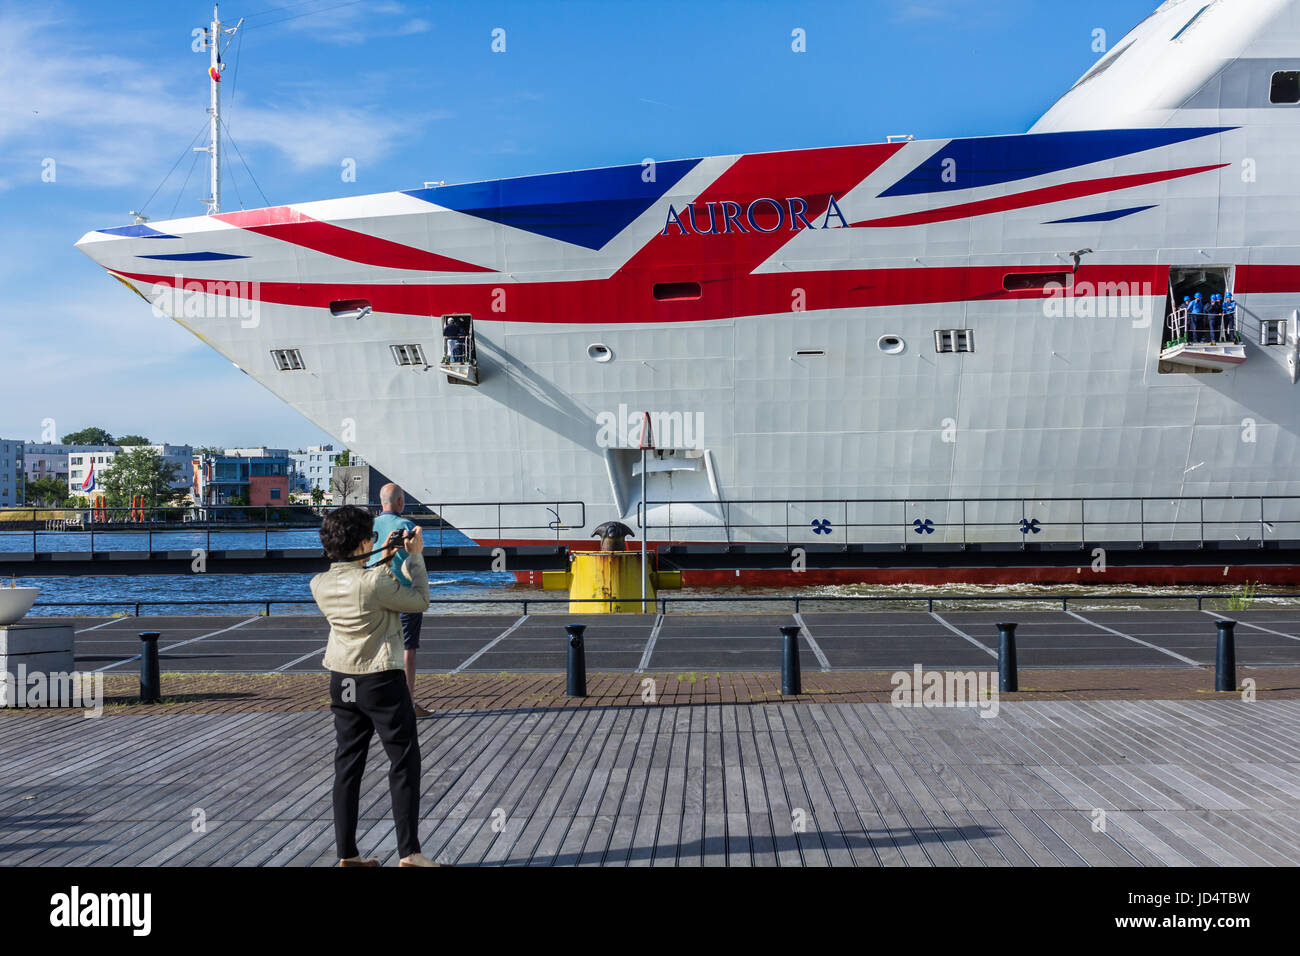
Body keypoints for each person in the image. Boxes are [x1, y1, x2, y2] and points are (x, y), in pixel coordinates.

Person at [311, 505, 438, 867]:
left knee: (348, 765)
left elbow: (362, 584)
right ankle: (410, 853)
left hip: (342, 679)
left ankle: (347, 855)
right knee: (403, 760)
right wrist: (414, 559)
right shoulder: (375, 581)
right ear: (364, 541)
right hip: (380, 678)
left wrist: (382, 558)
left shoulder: (318, 584)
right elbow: (419, 600)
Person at [369, 482, 431, 717]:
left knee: (376, 648)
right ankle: (408, 702)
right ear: (399, 502)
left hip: (375, 595)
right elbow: (417, 555)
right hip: (404, 595)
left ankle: (376, 700)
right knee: (408, 649)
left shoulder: (369, 526)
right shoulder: (407, 526)